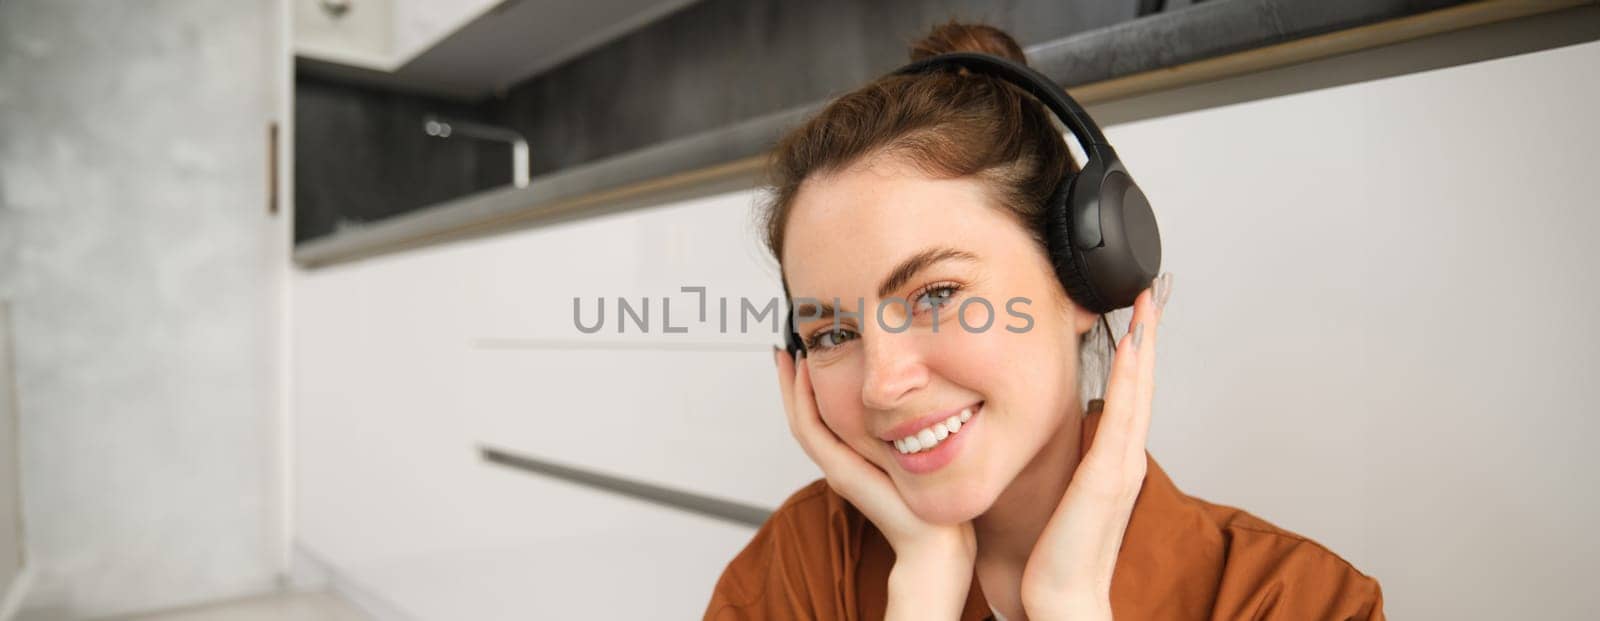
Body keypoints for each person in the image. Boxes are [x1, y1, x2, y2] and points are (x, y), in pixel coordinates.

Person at [704, 21, 1384, 621]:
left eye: (939, 295)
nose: (883, 384)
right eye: (834, 334)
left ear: (1082, 273)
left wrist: (1070, 609)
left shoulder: (1295, 602)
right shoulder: (793, 574)